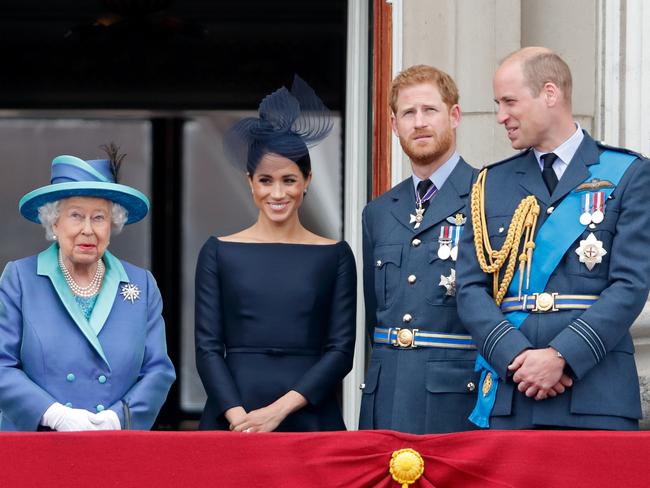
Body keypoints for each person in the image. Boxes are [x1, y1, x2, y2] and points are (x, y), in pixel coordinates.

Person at [456, 47, 650, 430]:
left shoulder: (628, 174)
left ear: (550, 93)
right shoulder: (489, 184)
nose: (501, 117)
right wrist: (518, 358)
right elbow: (469, 289)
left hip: (596, 392)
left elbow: (630, 285)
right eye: (498, 104)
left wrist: (562, 355)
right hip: (513, 392)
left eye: (509, 102)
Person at [195, 76, 356, 432]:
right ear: (249, 181)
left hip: (309, 415)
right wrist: (241, 419)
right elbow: (207, 349)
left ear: (307, 180)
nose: (277, 193)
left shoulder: (336, 255)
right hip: (233, 417)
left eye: (289, 179)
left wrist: (278, 412)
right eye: (266, 180)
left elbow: (341, 351)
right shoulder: (218, 252)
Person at [0, 144, 176, 431]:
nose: (88, 230)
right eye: (76, 215)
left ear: (112, 225)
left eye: (99, 217)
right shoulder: (20, 279)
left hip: (112, 446)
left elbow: (158, 371)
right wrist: (53, 414)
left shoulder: (141, 284)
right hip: (36, 446)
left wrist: (119, 418)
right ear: (53, 222)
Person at [358, 65, 479, 434]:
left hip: (455, 400)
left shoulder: (486, 197)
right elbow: (374, 315)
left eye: (430, 110)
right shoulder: (378, 212)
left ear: (454, 116)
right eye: (408, 113)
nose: (419, 122)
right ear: (394, 125)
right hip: (386, 395)